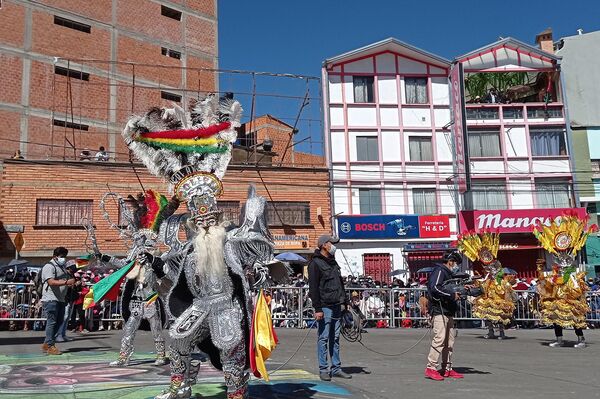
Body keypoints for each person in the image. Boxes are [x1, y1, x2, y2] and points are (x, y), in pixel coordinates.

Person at [308, 234, 352, 381]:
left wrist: (345, 301)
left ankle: (336, 367)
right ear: (324, 245)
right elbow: (313, 288)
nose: (334, 246)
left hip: (336, 305)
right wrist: (318, 308)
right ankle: (323, 368)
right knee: (324, 337)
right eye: (331, 243)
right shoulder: (315, 264)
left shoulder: (333, 262)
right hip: (325, 307)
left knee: (336, 337)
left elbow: (339, 284)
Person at [425, 251, 464, 381]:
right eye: (456, 263)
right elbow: (435, 288)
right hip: (439, 311)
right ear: (450, 261)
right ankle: (431, 367)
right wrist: (452, 295)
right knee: (440, 339)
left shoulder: (449, 274)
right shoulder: (440, 271)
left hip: (448, 311)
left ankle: (447, 368)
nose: (456, 266)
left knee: (449, 341)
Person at [41, 247, 76, 355]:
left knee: (59, 321)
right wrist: (66, 282)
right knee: (52, 321)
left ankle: (47, 343)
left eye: (65, 256)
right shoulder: (49, 266)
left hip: (60, 298)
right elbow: (51, 282)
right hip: (51, 298)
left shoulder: (62, 267)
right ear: (55, 256)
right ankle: (50, 345)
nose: (63, 258)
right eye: (61, 256)